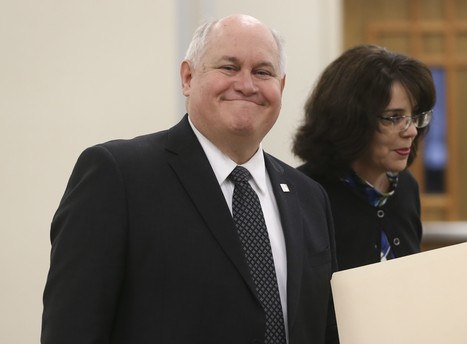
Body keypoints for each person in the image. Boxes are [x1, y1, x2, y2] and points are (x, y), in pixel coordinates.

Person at [42, 14, 338, 344]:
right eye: (229, 67)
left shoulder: (309, 197)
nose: (246, 84)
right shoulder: (119, 177)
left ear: (280, 87)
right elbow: (72, 329)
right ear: (187, 78)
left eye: (262, 72)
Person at [293, 44, 436, 271]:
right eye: (393, 117)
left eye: (415, 115)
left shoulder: (406, 187)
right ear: (350, 120)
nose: (411, 131)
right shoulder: (304, 194)